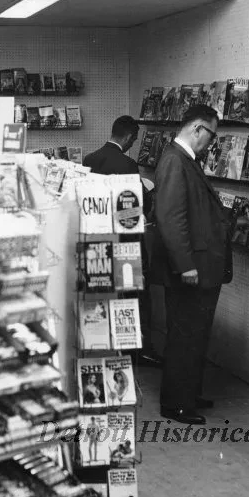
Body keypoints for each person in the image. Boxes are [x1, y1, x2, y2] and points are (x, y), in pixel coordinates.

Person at [150, 104, 232, 425]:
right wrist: (185, 265)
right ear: (197, 129)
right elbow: (171, 219)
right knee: (185, 336)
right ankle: (176, 403)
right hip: (189, 268)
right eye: (211, 135)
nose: (211, 143)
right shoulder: (175, 160)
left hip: (201, 266)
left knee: (195, 335)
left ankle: (188, 394)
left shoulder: (184, 160)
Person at [83, 116, 161, 368]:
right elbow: (133, 206)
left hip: (98, 241)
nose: (133, 144)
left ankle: (106, 345)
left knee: (104, 296)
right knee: (135, 296)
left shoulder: (90, 159)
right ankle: (139, 350)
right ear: (128, 137)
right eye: (134, 139)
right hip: (126, 242)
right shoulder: (127, 164)